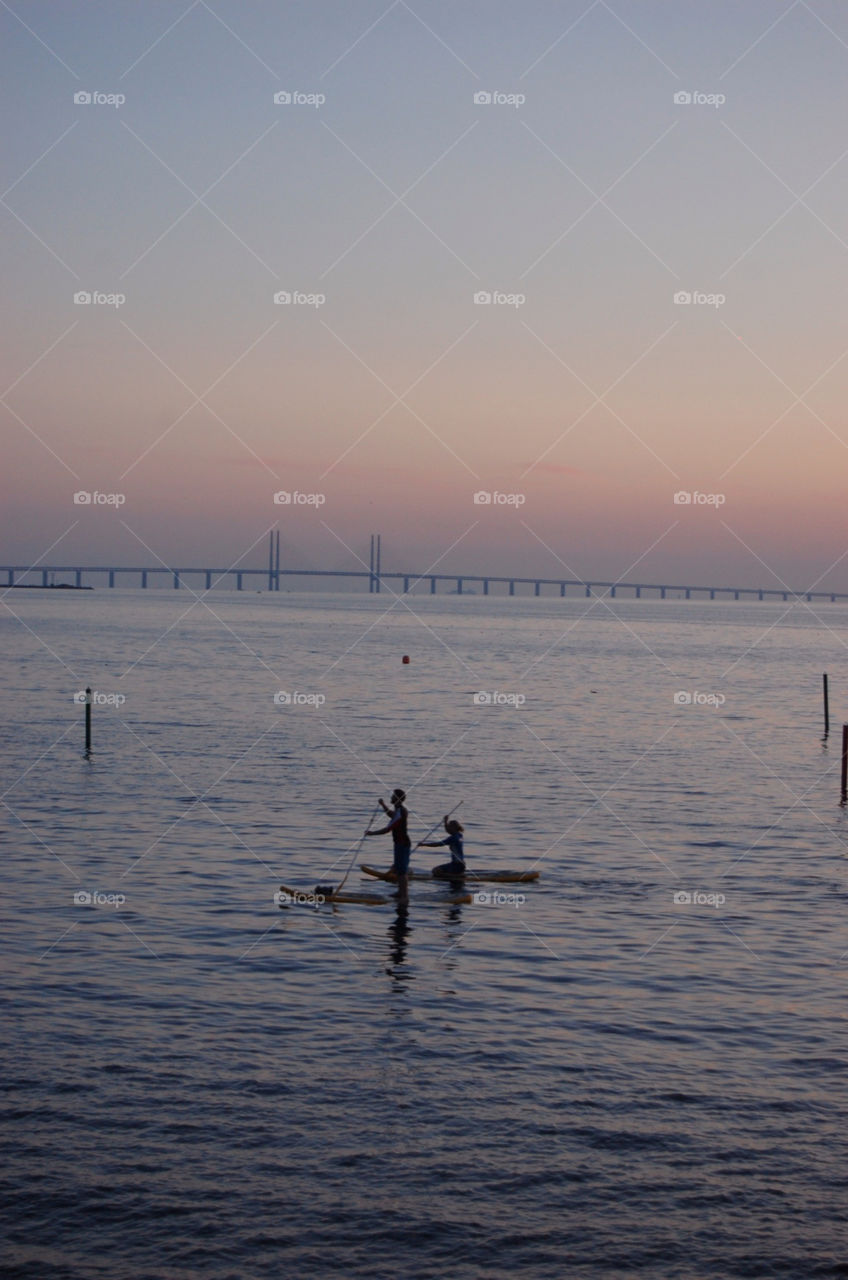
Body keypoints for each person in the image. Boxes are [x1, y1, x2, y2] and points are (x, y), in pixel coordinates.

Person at [365, 789, 411, 904]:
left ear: (398, 799)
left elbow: (387, 829)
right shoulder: (398, 810)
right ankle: (400, 892)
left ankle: (404, 896)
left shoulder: (401, 812)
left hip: (403, 843)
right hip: (398, 843)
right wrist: (383, 805)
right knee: (398, 868)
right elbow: (392, 816)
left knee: (401, 871)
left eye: (393, 796)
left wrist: (372, 833)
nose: (391, 797)